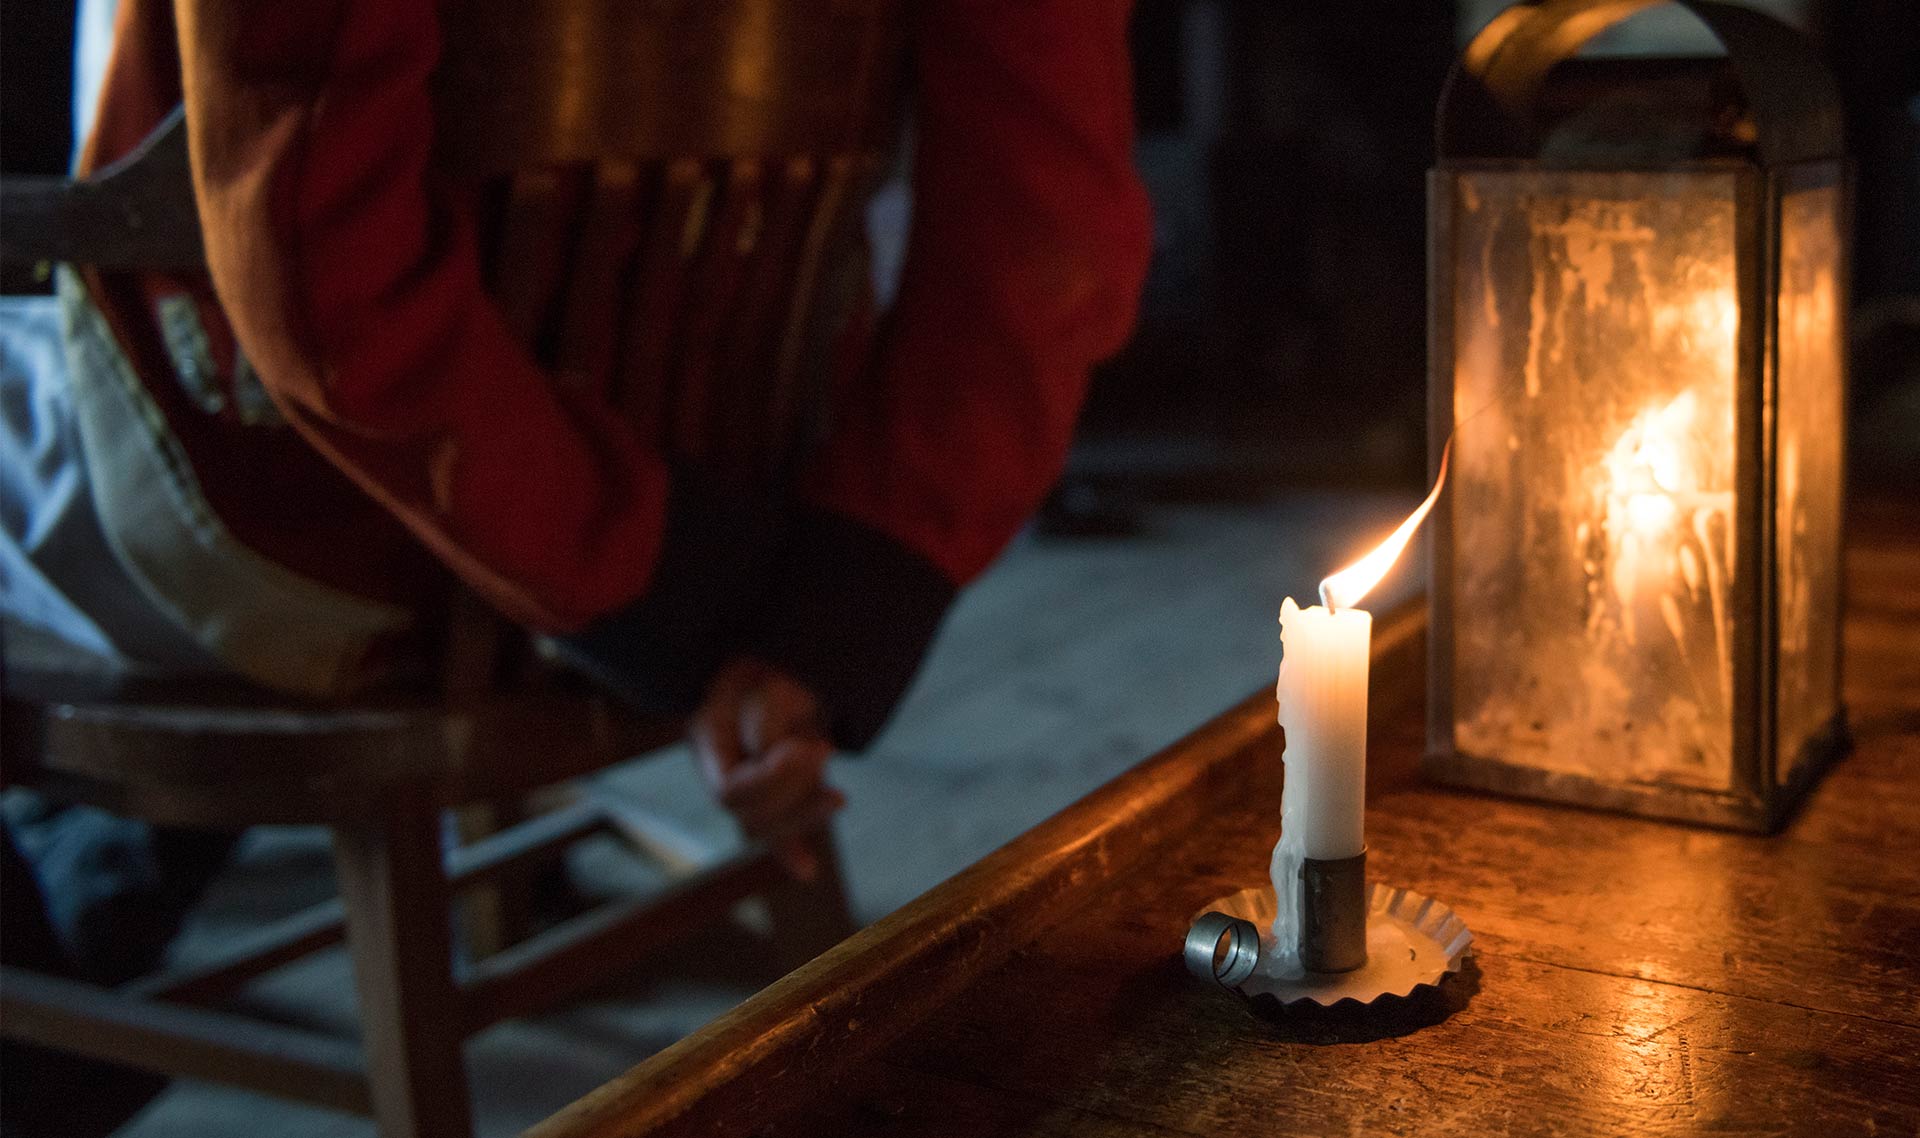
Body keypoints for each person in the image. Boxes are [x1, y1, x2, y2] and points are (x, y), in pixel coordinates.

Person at [3, 0, 1148, 974]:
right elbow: (1049, 230)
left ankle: (62, 979)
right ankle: (120, 878)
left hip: (330, 525)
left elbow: (310, 253)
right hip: (740, 476)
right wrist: (835, 597)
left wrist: (649, 572)